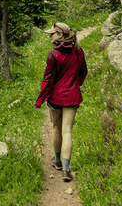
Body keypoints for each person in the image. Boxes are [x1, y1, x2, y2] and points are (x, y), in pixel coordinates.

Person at [34, 21, 87, 182]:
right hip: (72, 96)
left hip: (55, 97)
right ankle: (66, 169)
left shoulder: (53, 54)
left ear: (60, 35)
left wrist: (40, 100)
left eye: (52, 33)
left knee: (56, 127)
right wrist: (75, 85)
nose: (49, 36)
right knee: (67, 131)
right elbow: (83, 72)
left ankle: (57, 160)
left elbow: (48, 79)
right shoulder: (78, 51)